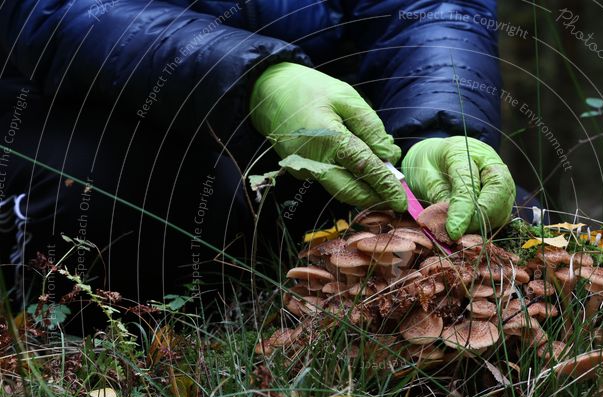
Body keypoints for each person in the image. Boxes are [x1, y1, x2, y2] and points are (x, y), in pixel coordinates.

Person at [0, 1, 524, 312]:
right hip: (71, 117)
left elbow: (430, 11)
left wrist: (436, 126)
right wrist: (244, 76)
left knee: (512, 225)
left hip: (321, 126)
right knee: (112, 191)